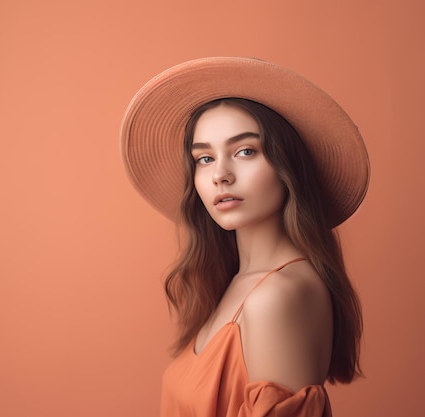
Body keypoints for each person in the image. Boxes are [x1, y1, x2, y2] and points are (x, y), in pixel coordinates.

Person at [120, 57, 370, 417]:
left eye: (245, 151)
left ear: (288, 166)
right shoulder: (238, 283)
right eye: (204, 158)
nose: (220, 174)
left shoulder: (277, 295)